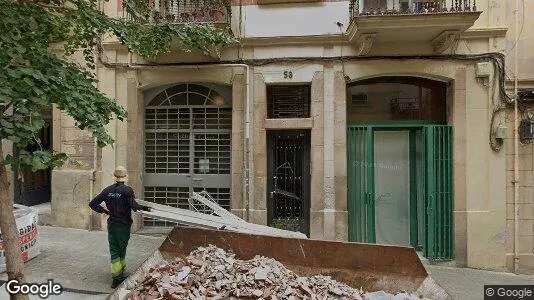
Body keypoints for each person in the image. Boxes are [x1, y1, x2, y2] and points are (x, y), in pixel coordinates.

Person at [89, 166, 151, 288]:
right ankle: (117, 277)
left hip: (112, 224)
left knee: (114, 248)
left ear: (115, 177)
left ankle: (119, 274)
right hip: (123, 225)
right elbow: (134, 206)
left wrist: (105, 211)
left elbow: (92, 204)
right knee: (121, 248)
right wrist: (146, 208)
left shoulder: (107, 190)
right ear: (125, 177)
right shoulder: (127, 190)